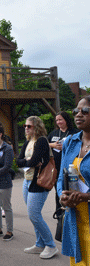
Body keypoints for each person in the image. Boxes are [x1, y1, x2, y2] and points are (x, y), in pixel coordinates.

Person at [16, 116, 58, 259]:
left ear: (37, 127)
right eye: (25, 126)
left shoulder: (41, 140)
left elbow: (33, 161)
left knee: (34, 215)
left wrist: (28, 161)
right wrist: (28, 161)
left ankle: (51, 245)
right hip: (27, 181)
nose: (26, 128)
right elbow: (18, 161)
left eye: (29, 126)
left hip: (39, 181)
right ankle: (39, 244)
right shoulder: (28, 141)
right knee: (34, 216)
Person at [58, 96, 90, 265]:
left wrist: (86, 196)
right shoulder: (70, 142)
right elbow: (60, 178)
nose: (79, 114)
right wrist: (62, 196)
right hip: (74, 220)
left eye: (85, 111)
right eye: (76, 111)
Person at [48, 111, 79, 213]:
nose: (58, 122)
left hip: (71, 167)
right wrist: (53, 145)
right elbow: (44, 145)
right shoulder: (53, 134)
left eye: (60, 119)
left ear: (66, 120)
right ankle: (60, 214)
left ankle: (71, 211)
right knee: (59, 191)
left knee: (71, 190)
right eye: (57, 120)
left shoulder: (74, 132)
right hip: (56, 168)